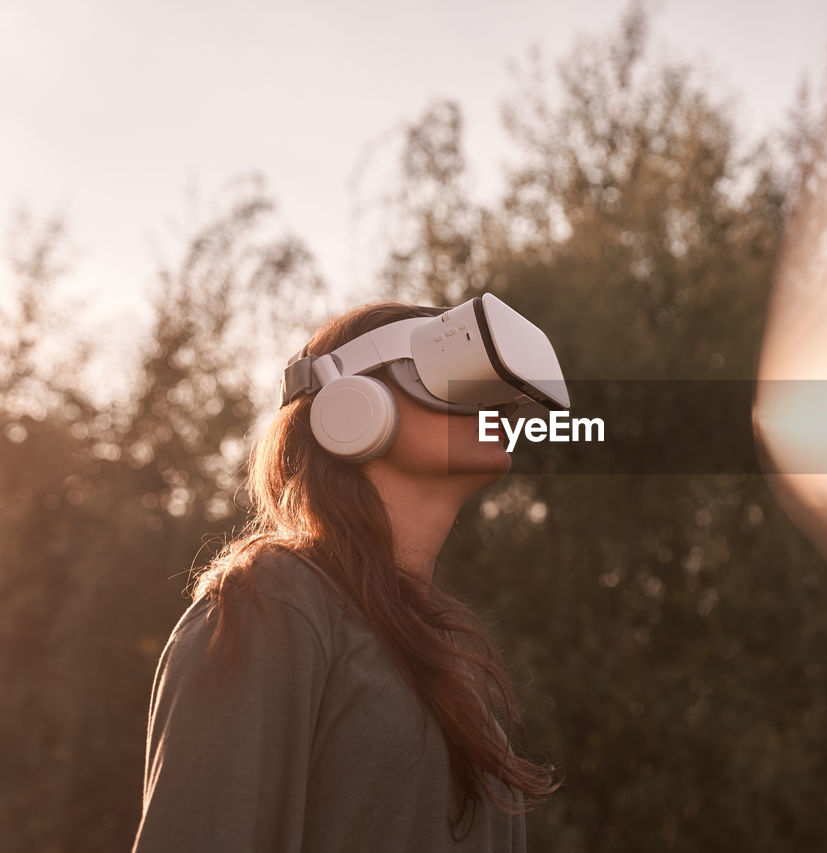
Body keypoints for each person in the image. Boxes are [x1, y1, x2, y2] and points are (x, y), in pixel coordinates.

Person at [132, 301, 558, 852]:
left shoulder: (448, 668)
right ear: (352, 405)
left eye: (497, 393)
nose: (493, 405)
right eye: (450, 375)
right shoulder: (274, 600)